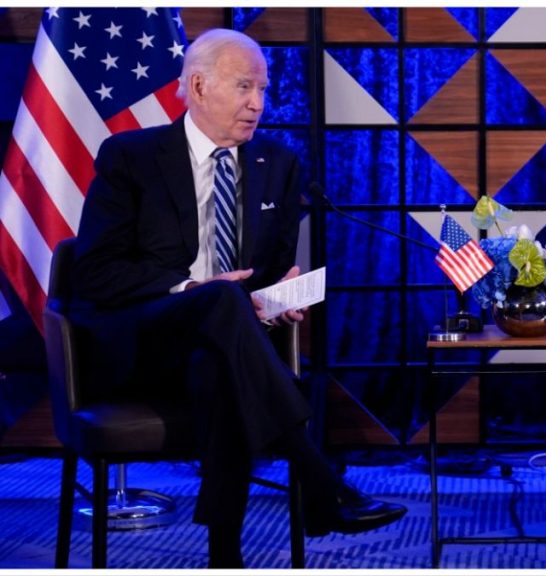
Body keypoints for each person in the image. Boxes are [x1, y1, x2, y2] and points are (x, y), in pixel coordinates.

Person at [70, 28, 406, 567]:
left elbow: (263, 278)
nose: (258, 104)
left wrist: (278, 300)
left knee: (218, 360)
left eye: (263, 89)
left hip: (226, 347)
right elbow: (93, 272)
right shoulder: (131, 157)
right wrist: (191, 289)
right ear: (199, 86)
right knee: (220, 301)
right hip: (144, 344)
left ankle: (226, 558)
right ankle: (319, 481)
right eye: (245, 86)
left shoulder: (279, 164)